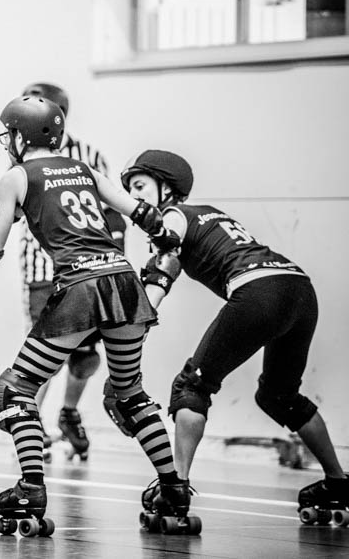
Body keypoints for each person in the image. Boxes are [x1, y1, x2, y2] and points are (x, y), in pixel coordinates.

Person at [0, 95, 189, 536]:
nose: (8, 142)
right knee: (129, 394)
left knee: (15, 390)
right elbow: (143, 215)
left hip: (79, 285)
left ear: (21, 136)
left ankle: (30, 488)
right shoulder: (83, 168)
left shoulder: (16, 176)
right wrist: (167, 238)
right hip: (123, 280)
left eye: (10, 134)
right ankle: (174, 488)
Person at [122, 150, 348, 527]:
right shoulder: (210, 214)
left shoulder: (175, 215)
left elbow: (165, 258)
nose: (135, 198)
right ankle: (339, 482)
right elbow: (169, 269)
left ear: (166, 189)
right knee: (278, 396)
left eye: (140, 187)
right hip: (298, 288)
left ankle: (175, 488)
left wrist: (135, 321)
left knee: (191, 386)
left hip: (259, 290)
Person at [0, 82, 125, 460]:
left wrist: (115, 261)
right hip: (42, 270)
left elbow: (113, 214)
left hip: (89, 270)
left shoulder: (89, 157)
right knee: (46, 357)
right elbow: (10, 213)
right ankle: (32, 428)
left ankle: (68, 414)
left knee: (86, 356)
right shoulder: (21, 159)